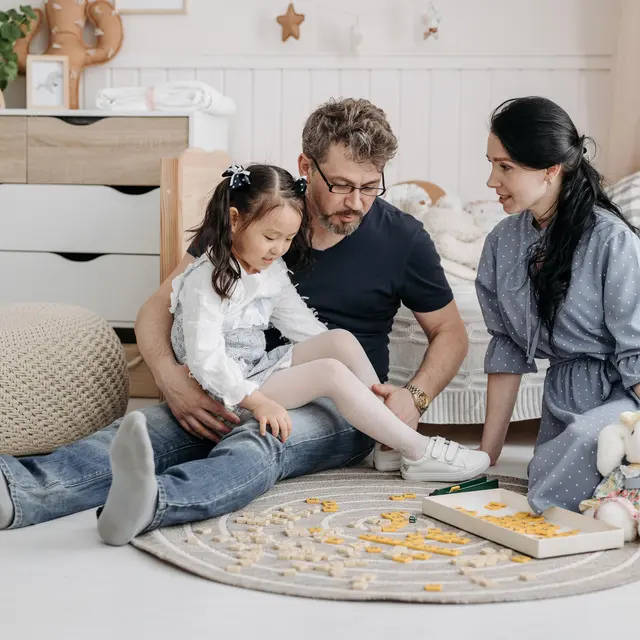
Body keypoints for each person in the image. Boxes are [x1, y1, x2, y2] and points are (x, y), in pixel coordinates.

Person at [0, 98, 487, 535]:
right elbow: (159, 306)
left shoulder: (403, 238)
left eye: (370, 187)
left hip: (342, 402)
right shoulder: (260, 210)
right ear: (306, 166)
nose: (356, 202)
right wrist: (172, 379)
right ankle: (15, 490)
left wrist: (413, 399)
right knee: (148, 431)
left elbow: (449, 332)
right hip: (235, 378)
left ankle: (154, 502)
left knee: (263, 439)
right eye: (341, 185)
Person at [97, 162, 491, 545]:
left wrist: (335, 359)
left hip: (252, 370)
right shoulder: (207, 278)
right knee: (330, 376)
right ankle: (418, 450)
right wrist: (260, 402)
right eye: (271, 237)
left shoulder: (270, 269)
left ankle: (388, 443)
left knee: (339, 341)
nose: (279, 249)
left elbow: (305, 328)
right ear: (234, 221)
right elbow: (206, 360)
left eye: (288, 239)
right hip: (222, 388)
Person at [476, 96, 640, 514]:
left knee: (585, 445)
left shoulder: (612, 240)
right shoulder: (502, 241)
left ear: (551, 169)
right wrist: (486, 457)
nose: (492, 180)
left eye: (505, 166)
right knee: (555, 467)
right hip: (562, 398)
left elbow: (636, 351)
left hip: (624, 399)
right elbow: (507, 347)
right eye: (492, 164)